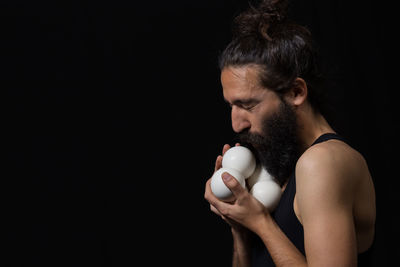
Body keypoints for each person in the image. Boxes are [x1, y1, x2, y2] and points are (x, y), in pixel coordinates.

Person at [203, 0, 376, 266]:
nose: (237, 125)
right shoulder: (282, 164)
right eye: (231, 106)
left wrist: (260, 222)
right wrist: (240, 228)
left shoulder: (323, 162)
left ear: (296, 92)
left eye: (247, 105)